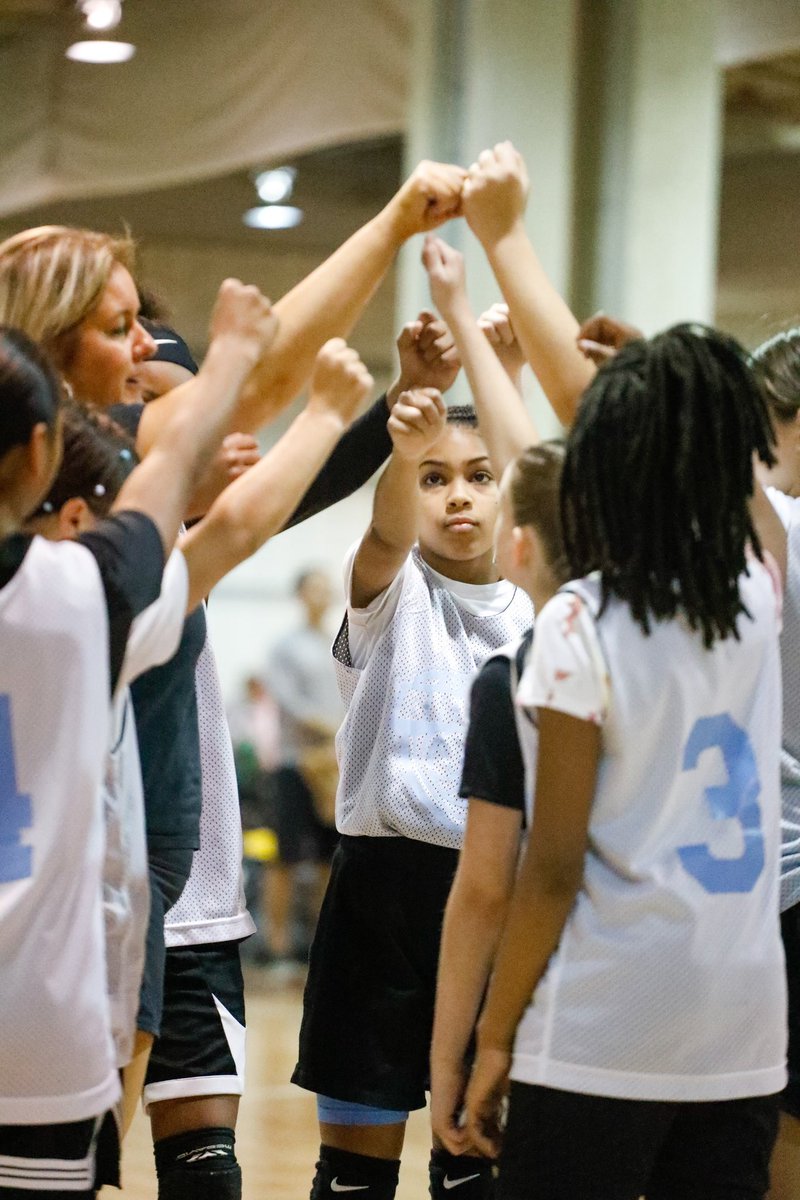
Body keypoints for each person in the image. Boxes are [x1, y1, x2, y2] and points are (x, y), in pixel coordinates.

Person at [0, 160, 467, 1199]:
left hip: (135, 889)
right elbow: (256, 402)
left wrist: (379, 403)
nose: (146, 354)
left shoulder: (104, 505)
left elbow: (264, 494)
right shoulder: (95, 505)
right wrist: (389, 225)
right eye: (122, 330)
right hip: (74, 908)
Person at [464, 325, 786, 1200]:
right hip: (743, 1030)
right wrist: (673, 398)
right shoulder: (757, 594)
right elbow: (744, 498)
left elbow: (554, 864)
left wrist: (494, 1038)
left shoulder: (578, 623)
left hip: (605, 1028)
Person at [0, 281, 278, 1196]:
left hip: (146, 900)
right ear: (47, 449)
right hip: (65, 965)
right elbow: (229, 516)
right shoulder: (82, 593)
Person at [291, 376, 532, 1200]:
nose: (457, 496)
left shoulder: (542, 612)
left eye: (478, 474)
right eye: (435, 477)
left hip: (496, 897)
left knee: (474, 1169)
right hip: (379, 896)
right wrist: (404, 443)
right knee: (353, 1178)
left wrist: (510, 378)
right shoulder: (390, 593)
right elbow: (387, 533)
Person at [265, 568, 343, 968]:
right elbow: (289, 704)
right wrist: (336, 727)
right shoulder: (286, 647)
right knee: (286, 858)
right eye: (315, 586)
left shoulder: (340, 643)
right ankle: (277, 949)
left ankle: (319, 947)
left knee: (330, 859)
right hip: (295, 766)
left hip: (333, 768)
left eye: (327, 586)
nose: (323, 593)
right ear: (299, 594)